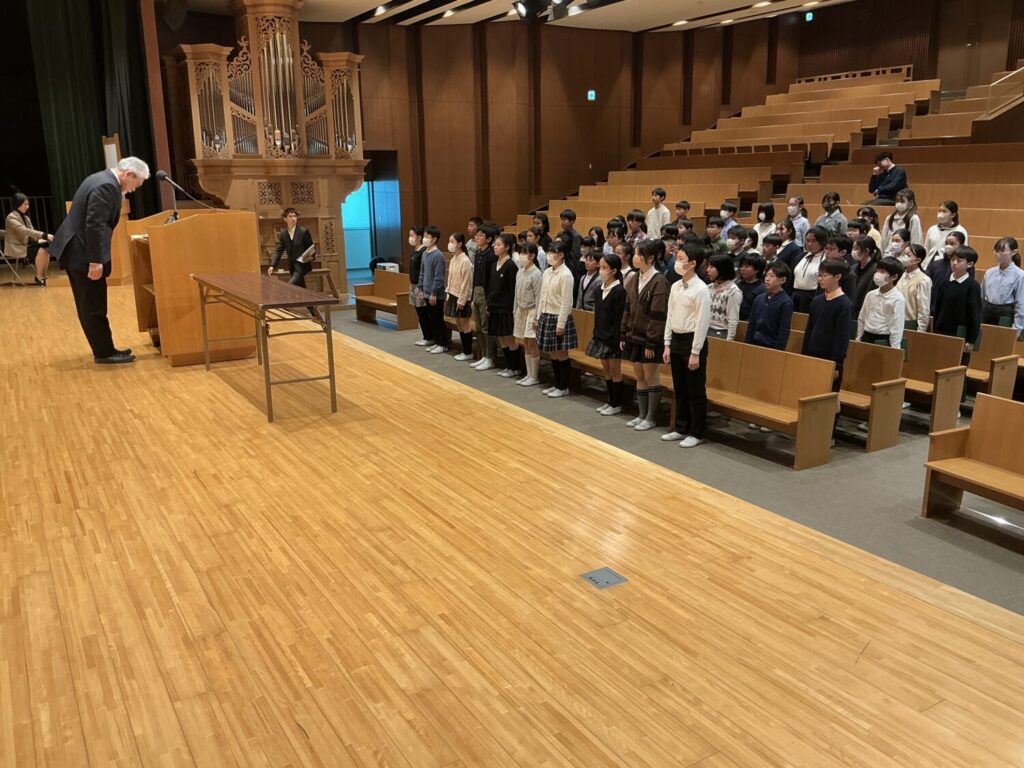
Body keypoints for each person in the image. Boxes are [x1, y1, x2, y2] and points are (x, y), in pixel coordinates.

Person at [52, 157, 149, 364]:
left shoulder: (100, 179)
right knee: (93, 305)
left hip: (77, 251)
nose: (134, 189)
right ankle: (104, 353)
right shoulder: (106, 186)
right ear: (129, 174)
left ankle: (104, 348)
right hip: (83, 254)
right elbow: (95, 225)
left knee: (90, 303)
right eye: (136, 183)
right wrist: (95, 261)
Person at [661, 243, 711, 449]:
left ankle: (697, 432)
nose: (677, 262)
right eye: (677, 258)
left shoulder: (701, 289)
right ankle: (681, 427)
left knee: (695, 389)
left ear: (692, 263)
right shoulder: (675, 286)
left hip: (692, 341)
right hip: (677, 339)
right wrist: (667, 344)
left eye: (681, 259)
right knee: (680, 387)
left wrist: (695, 352)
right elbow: (670, 316)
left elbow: (702, 322)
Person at [621, 239, 669, 431]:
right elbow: (627, 308)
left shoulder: (659, 282)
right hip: (634, 336)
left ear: (650, 258)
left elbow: (658, 316)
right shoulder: (634, 278)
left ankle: (651, 417)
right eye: (635, 253)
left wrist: (651, 342)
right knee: (639, 375)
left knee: (651, 376)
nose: (635, 257)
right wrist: (623, 333)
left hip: (650, 340)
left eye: (639, 254)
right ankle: (641, 415)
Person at [932, 246, 982, 403]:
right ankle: (940, 399)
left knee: (958, 369)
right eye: (953, 259)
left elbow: (975, 315)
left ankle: (956, 402)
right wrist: (935, 331)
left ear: (970, 264)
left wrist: (971, 340)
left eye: (959, 261)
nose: (954, 263)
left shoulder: (972, 286)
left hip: (961, 335)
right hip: (943, 331)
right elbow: (937, 309)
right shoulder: (944, 282)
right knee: (941, 366)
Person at [803, 259, 853, 394]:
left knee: (827, 395)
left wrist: (837, 364)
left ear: (837, 277)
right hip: (812, 354)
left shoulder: (844, 304)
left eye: (824, 275)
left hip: (830, 359)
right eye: (819, 275)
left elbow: (842, 338)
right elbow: (809, 330)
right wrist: (804, 355)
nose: (820, 279)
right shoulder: (817, 301)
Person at [534, 238, 577, 398]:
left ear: (562, 255)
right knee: (552, 352)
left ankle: (563, 386)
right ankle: (557, 384)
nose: (550, 255)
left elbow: (566, 302)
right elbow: (542, 296)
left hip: (559, 317)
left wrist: (561, 324)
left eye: (553, 252)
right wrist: (538, 317)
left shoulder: (566, 275)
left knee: (561, 353)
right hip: (546, 315)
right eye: (549, 252)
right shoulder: (547, 272)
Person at [587, 252, 627, 415]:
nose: (601, 270)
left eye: (604, 267)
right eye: (600, 267)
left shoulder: (619, 291)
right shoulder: (599, 289)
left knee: (615, 371)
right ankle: (610, 401)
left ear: (614, 271)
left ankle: (616, 404)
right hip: (600, 336)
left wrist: (617, 338)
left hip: (613, 339)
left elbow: (619, 319)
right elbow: (598, 315)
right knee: (606, 371)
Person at [489, 233, 521, 378]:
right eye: (495, 245)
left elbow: (513, 290)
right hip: (495, 306)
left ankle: (515, 367)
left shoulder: (511, 266)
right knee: (500, 337)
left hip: (506, 308)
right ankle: (508, 366)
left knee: (509, 338)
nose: (495, 247)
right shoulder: (494, 264)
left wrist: (513, 310)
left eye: (499, 245)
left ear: (507, 247)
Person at [856, 257, 906, 349]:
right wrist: (858, 338)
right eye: (877, 271)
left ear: (894, 277)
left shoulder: (898, 299)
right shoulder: (870, 295)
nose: (877, 274)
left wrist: (895, 348)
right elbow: (862, 318)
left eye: (882, 272)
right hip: (866, 336)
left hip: (883, 339)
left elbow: (897, 326)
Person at [5, 193, 53, 285]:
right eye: (25, 204)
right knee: (42, 250)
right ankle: (39, 277)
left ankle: (42, 276)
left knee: (46, 248)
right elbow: (24, 231)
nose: (28, 207)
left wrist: (38, 240)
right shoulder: (11, 217)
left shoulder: (26, 218)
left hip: (25, 244)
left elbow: (32, 231)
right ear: (18, 204)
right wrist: (45, 235)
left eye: (28, 204)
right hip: (17, 247)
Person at [514, 242, 544, 386]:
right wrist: (514, 310)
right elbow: (516, 293)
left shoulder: (537, 273)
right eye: (520, 253)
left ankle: (534, 376)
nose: (521, 256)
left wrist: (537, 317)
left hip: (532, 310)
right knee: (525, 343)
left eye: (524, 253)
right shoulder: (520, 272)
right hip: (521, 310)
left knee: (532, 343)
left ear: (532, 256)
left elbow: (539, 297)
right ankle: (528, 374)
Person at [745, 261, 794, 350]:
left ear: (783, 280)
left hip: (770, 347)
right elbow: (751, 324)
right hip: (753, 344)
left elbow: (784, 331)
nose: (767, 279)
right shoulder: (759, 298)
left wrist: (777, 351)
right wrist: (747, 344)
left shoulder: (786, 302)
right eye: (766, 275)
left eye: (772, 276)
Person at [470, 223, 498, 370]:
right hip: (476, 290)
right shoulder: (478, 253)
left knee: (487, 327)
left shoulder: (491, 255)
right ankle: (483, 356)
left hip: (485, 292)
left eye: (481, 235)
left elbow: (491, 279)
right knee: (478, 326)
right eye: (477, 235)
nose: (477, 237)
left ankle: (490, 357)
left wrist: (489, 300)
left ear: (488, 239)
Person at [981, 237, 1024, 329]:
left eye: (1002, 251)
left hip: (1005, 314)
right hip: (987, 312)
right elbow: (982, 297)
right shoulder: (989, 272)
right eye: (996, 251)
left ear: (1014, 252)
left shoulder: (1020, 275)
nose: (998, 254)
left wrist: (1017, 327)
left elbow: (1020, 304)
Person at [417, 225, 448, 354]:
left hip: (435, 294)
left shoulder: (438, 255)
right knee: (432, 319)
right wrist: (420, 289)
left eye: (427, 236)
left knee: (438, 319)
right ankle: (436, 341)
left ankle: (443, 344)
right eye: (424, 236)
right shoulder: (425, 253)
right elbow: (422, 272)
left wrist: (434, 293)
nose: (424, 239)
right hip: (426, 292)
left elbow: (439, 276)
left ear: (434, 239)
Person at [445, 232, 475, 361]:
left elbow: (466, 283)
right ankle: (464, 350)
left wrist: (462, 301)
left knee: (465, 325)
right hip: (453, 295)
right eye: (449, 241)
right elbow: (451, 278)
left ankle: (468, 352)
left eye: (452, 242)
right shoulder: (453, 259)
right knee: (458, 324)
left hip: (462, 298)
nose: (450, 244)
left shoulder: (465, 261)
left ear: (460, 244)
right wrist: (448, 293)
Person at [268, 207, 315, 287]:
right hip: (292, 267)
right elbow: (279, 250)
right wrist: (272, 265)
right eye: (290, 216)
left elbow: (312, 248)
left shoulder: (303, 231)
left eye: (294, 216)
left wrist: (310, 257)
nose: (293, 218)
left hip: (302, 266)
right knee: (301, 289)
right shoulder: (283, 233)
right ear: (285, 219)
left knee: (289, 287)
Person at [404, 226, 432, 346]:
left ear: (419, 237)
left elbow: (423, 271)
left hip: (420, 286)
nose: (410, 238)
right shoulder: (415, 252)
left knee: (423, 312)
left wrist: (420, 287)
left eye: (412, 235)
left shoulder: (423, 252)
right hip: (413, 285)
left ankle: (429, 337)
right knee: (419, 313)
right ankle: (426, 336)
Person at [791, 225, 828, 313]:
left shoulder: (826, 259)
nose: (810, 244)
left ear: (822, 242)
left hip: (812, 297)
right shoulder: (800, 257)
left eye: (813, 241)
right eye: (807, 240)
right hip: (795, 295)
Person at [926, 231, 968, 307]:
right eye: (946, 243)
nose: (948, 246)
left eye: (952, 244)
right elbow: (927, 284)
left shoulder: (964, 265)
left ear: (961, 245)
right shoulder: (935, 263)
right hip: (933, 305)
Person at [923, 201, 969, 270]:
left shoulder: (960, 230)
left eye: (944, 211)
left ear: (953, 214)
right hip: (928, 265)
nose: (940, 214)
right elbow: (926, 249)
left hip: (947, 267)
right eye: (939, 211)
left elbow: (963, 252)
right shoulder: (932, 229)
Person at [896, 243, 932, 331]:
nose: (904, 257)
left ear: (918, 260)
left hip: (910, 324)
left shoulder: (923, 280)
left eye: (908, 255)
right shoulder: (899, 275)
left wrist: (920, 331)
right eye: (903, 254)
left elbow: (923, 309)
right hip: (895, 321)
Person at [706, 254, 741, 340]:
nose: (707, 270)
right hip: (705, 328)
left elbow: (733, 319)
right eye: (708, 266)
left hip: (721, 332)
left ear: (722, 269)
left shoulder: (733, 291)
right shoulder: (709, 287)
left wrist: (728, 341)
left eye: (711, 267)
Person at [848, 235, 879, 320]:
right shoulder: (853, 268)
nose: (853, 251)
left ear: (866, 251)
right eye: (853, 248)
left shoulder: (876, 270)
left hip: (865, 315)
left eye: (856, 249)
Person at [736, 253, 767, 322]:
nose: (742, 269)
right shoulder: (738, 284)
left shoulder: (762, 289)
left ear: (757, 269)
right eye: (742, 266)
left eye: (747, 266)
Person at [576, 244, 602, 309]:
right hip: (581, 310)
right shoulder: (582, 277)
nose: (587, 262)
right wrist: (577, 309)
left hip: (591, 311)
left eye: (590, 260)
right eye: (586, 260)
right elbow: (579, 297)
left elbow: (598, 300)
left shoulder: (599, 279)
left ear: (598, 264)